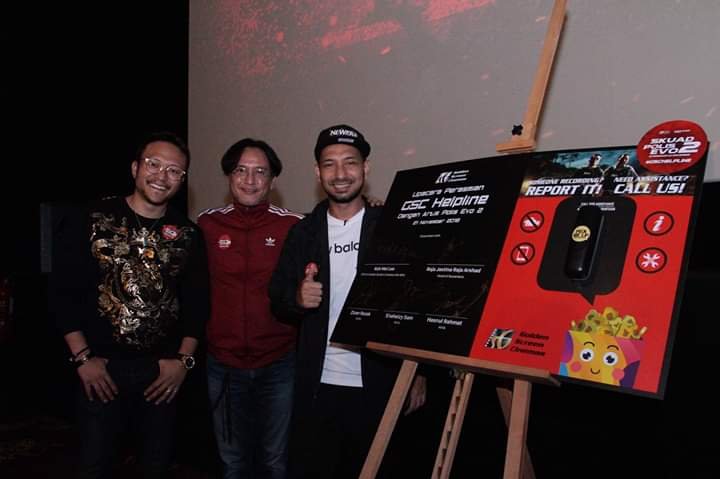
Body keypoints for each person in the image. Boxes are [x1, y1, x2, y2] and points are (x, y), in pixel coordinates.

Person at [269, 124, 426, 478]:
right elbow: (277, 298)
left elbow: (415, 304)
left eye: (350, 162)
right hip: (318, 385)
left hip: (380, 383)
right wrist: (297, 299)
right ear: (317, 172)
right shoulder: (303, 232)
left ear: (365, 168)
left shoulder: (391, 225)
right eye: (330, 164)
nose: (340, 174)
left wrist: (417, 372)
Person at [53, 132, 209, 479]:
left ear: (182, 180)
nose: (162, 176)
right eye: (154, 164)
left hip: (160, 375)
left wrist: (183, 362)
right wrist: (82, 359)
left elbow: (197, 303)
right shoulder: (92, 218)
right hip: (101, 370)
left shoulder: (188, 233)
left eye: (174, 171)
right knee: (94, 465)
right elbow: (63, 292)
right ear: (135, 168)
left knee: (156, 465)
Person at [198, 139, 303, 479]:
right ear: (229, 176)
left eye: (260, 172)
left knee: (275, 462)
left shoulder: (294, 225)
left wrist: (371, 207)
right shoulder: (206, 225)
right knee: (233, 464)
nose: (250, 180)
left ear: (273, 180)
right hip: (223, 365)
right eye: (241, 170)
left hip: (279, 364)